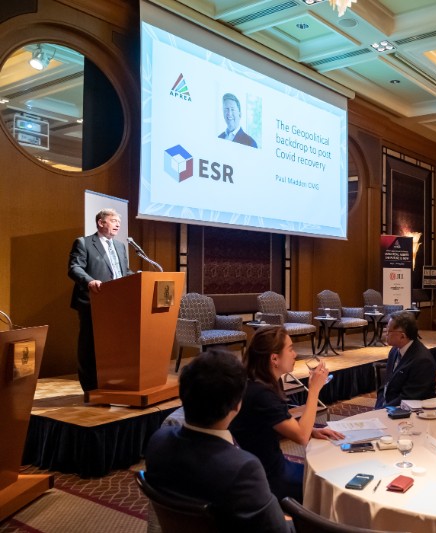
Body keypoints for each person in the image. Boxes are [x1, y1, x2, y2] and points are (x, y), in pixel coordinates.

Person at [145, 350, 290, 533]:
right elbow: (278, 529)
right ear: (237, 404)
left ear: (183, 395)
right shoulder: (243, 467)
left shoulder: (158, 442)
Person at [230, 326, 343, 503]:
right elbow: (301, 437)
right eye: (290, 349)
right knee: (330, 485)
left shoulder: (261, 382)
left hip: (264, 466)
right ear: (274, 358)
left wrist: (312, 430)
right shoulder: (261, 393)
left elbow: (275, 422)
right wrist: (314, 390)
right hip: (268, 477)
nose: (295, 354)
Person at [67, 208, 133, 392]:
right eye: (114, 221)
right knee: (90, 344)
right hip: (93, 301)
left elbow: (123, 272)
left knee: (113, 344)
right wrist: (89, 281)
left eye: (119, 222)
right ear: (101, 222)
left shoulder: (120, 246)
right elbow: (74, 268)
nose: (118, 224)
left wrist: (138, 276)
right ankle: (90, 388)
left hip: (116, 303)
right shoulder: (84, 243)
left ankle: (111, 381)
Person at [375, 311, 436, 409]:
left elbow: (409, 397)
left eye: (389, 331)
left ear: (402, 336)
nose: (385, 334)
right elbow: (385, 386)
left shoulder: (422, 361)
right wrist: (378, 408)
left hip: (411, 412)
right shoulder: (394, 350)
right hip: (389, 407)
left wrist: (383, 410)